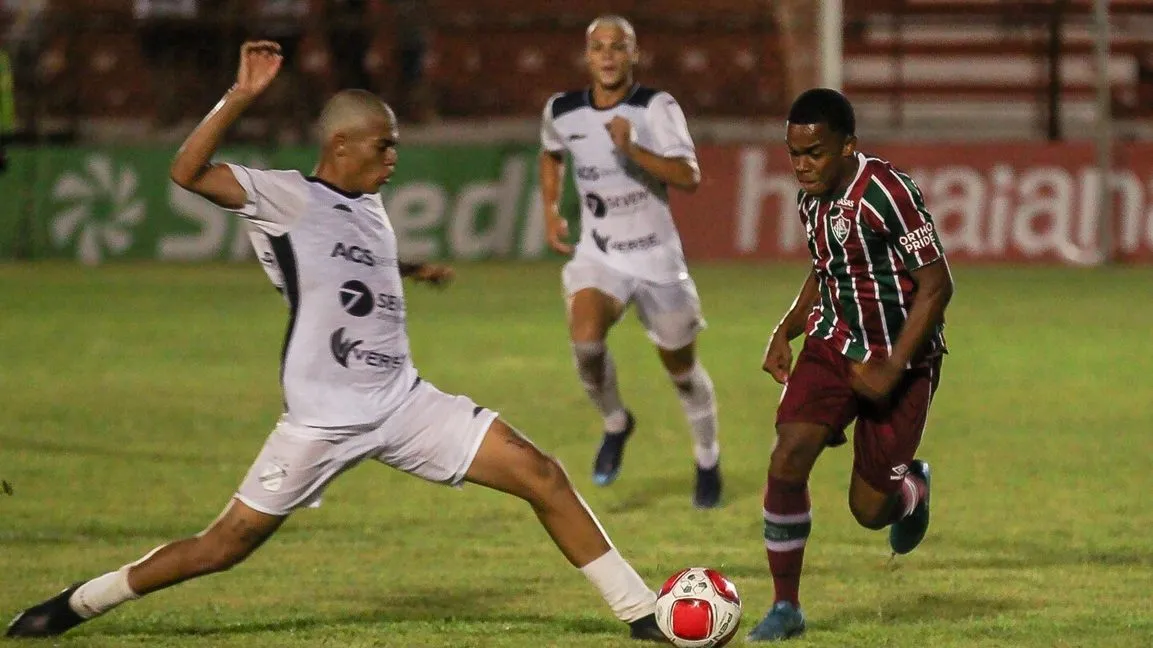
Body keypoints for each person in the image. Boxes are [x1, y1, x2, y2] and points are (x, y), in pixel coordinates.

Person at [5, 41, 667, 643]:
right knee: (223, 546)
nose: (393, 159)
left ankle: (641, 617)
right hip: (322, 419)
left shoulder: (371, 210)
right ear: (342, 146)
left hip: (404, 402)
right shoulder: (283, 197)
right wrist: (238, 97)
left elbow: (344, 263)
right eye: (383, 146)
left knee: (541, 474)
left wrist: (409, 270)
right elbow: (187, 171)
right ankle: (77, 605)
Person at [746, 88, 954, 642]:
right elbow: (826, 269)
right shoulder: (810, 198)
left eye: (813, 153)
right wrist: (785, 329)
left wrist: (891, 368)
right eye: (793, 153)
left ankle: (912, 490)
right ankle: (786, 607)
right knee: (788, 457)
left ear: (847, 147)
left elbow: (936, 286)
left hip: (901, 365)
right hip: (833, 344)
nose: (801, 165)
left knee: (868, 510)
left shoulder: (888, 192)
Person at [538, 15, 722, 509]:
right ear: (587, 55)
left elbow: (688, 177)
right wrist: (551, 208)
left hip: (657, 259)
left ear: (633, 53)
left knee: (682, 372)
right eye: (598, 47)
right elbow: (551, 153)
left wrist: (632, 149)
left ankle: (707, 458)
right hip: (600, 255)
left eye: (617, 47)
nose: (607, 56)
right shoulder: (562, 110)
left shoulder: (656, 108)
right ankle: (617, 422)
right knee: (585, 343)